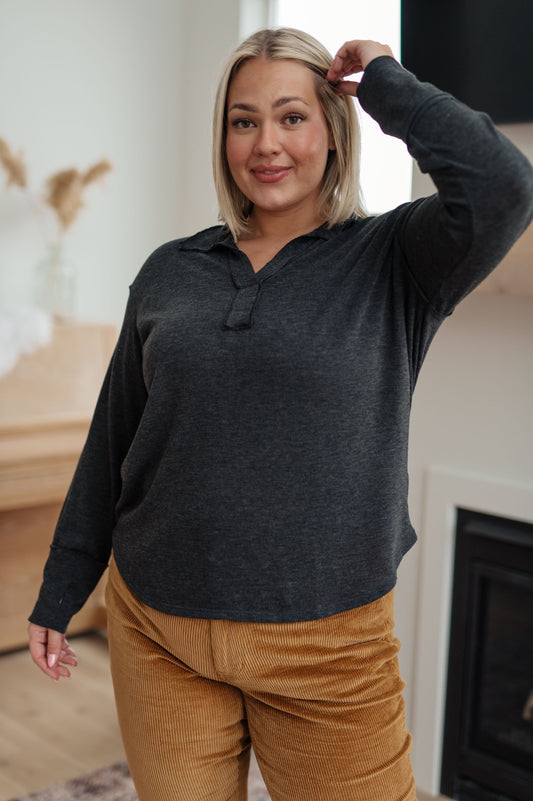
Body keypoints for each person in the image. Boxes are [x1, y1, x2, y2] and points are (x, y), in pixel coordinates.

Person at [28, 27, 533, 801]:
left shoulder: (397, 257)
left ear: (332, 131)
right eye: (244, 120)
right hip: (156, 629)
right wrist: (64, 582)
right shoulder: (170, 271)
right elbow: (116, 436)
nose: (265, 143)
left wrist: (384, 80)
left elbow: (501, 185)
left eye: (292, 116)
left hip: (325, 646)